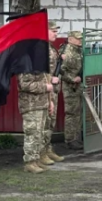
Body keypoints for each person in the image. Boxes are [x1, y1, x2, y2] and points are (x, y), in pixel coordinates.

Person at [18, 59, 53, 174]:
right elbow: (24, 84)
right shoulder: (25, 63)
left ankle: (36, 160)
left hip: (41, 104)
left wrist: (50, 102)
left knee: (39, 134)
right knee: (32, 134)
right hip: (31, 105)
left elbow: (46, 79)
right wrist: (44, 87)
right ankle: (29, 162)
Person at [42, 21, 64, 163]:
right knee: (45, 123)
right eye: (53, 31)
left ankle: (48, 149)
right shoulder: (42, 49)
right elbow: (42, 72)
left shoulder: (51, 48)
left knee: (51, 122)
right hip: (46, 91)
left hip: (53, 90)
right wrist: (51, 80)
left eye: (56, 31)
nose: (56, 34)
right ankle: (42, 152)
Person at [61, 31, 84, 150]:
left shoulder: (78, 50)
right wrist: (72, 79)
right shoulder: (67, 52)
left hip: (79, 86)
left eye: (81, 38)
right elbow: (61, 70)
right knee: (71, 113)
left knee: (78, 113)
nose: (80, 40)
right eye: (78, 38)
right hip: (70, 87)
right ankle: (70, 139)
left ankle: (77, 137)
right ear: (70, 39)